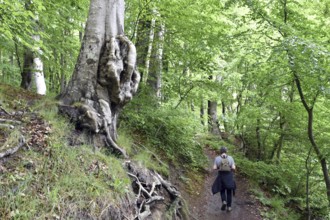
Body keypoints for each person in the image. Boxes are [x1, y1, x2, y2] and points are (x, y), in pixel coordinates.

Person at [211, 146, 236, 212]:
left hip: (221, 176)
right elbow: (233, 168)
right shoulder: (230, 158)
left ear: (220, 151)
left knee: (222, 189)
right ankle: (229, 207)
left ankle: (224, 201)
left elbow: (214, 168)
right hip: (229, 176)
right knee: (229, 191)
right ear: (226, 151)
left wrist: (219, 167)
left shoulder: (217, 158)